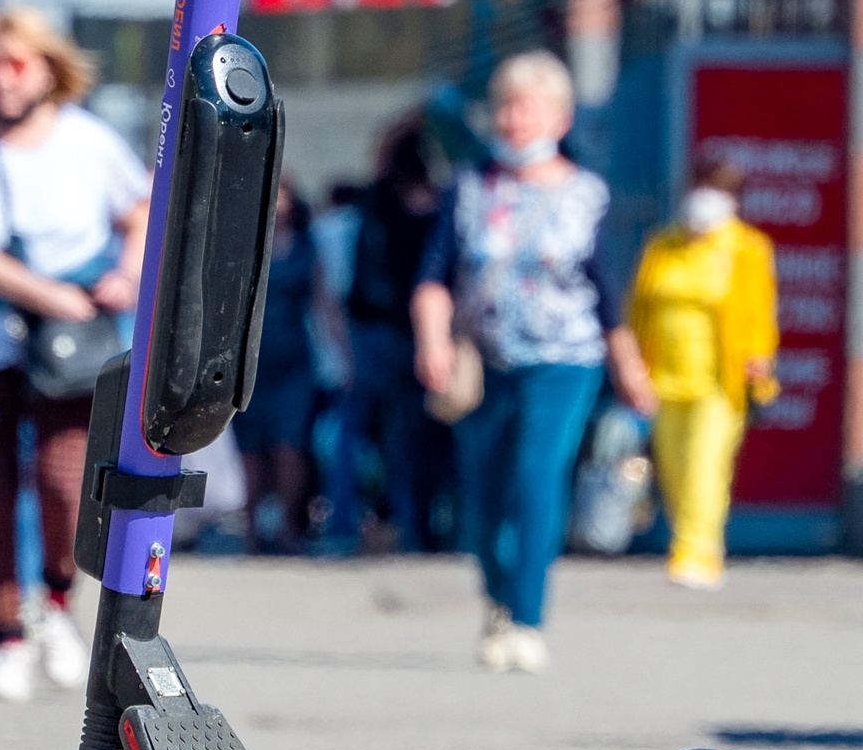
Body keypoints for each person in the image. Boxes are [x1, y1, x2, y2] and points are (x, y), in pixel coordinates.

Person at [0, 6, 150, 703]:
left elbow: (141, 210)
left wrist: (128, 273)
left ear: (47, 67)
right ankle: (7, 634)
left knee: (62, 481)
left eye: (16, 63)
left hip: (74, 339)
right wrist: (40, 291)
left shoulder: (88, 140)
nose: (1, 79)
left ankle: (55, 600)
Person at [412, 50, 655, 674]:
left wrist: (629, 366)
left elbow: (606, 290)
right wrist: (432, 340)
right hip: (482, 359)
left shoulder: (586, 194)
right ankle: (496, 599)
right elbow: (435, 276)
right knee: (484, 489)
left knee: (535, 475)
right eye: (507, 106)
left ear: (561, 116)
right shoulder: (469, 189)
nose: (516, 119)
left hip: (564, 361)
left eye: (531, 107)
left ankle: (528, 617)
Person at [627, 150, 779, 590]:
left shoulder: (747, 249)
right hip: (664, 375)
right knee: (673, 468)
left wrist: (760, 356)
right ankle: (691, 539)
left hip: (721, 378)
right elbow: (639, 306)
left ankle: (696, 552)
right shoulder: (663, 244)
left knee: (705, 465)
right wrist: (631, 363)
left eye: (718, 193)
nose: (705, 201)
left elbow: (760, 313)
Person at [327, 119, 451, 553]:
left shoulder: (377, 203)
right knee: (409, 435)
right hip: (412, 331)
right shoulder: (437, 211)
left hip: (371, 329)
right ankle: (412, 524)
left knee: (355, 429)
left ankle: (343, 521)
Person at [236, 182, 325, 554]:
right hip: (250, 359)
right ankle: (253, 529)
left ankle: (290, 526)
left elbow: (323, 303)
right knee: (252, 452)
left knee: (291, 446)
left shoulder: (307, 246)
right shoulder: (241, 246)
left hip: (293, 359)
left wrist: (338, 355)